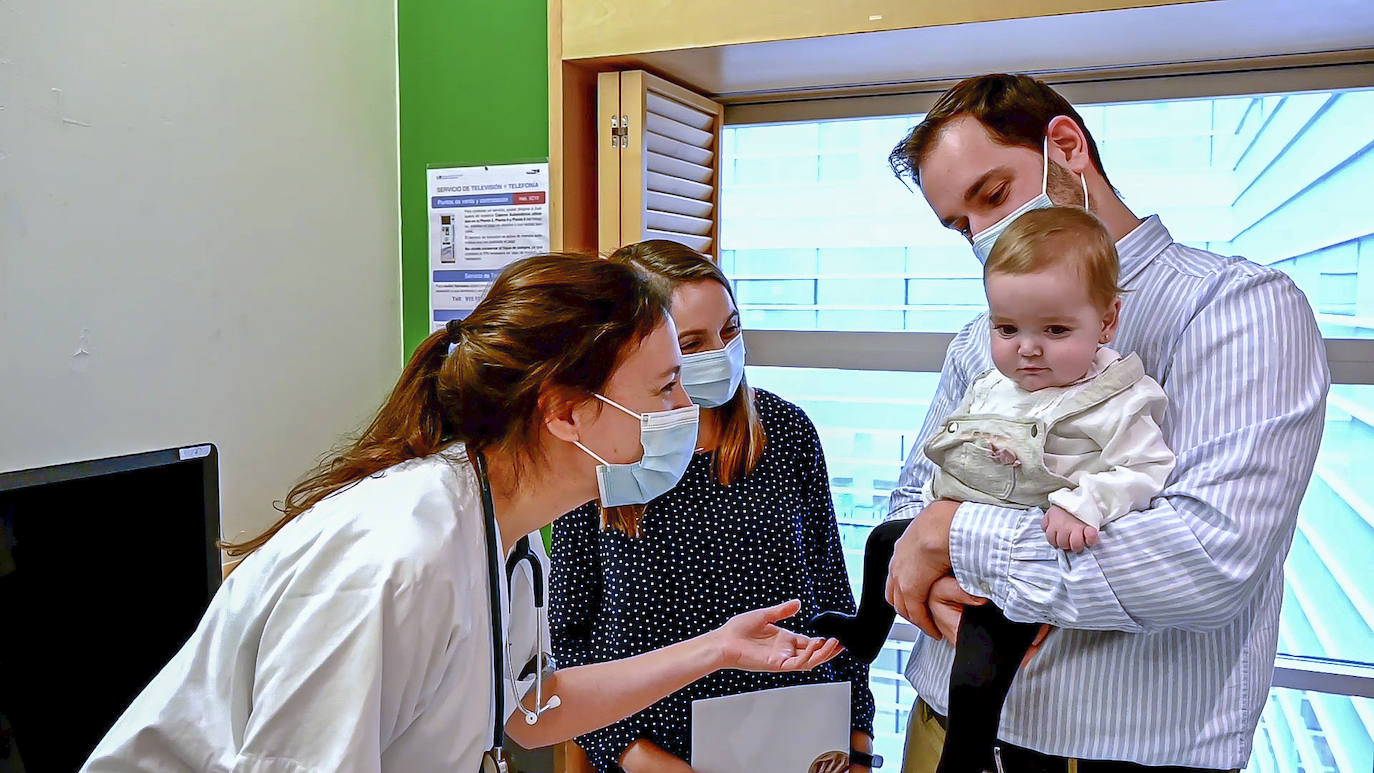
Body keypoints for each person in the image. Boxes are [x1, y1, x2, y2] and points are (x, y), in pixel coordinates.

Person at [80, 254, 844, 773]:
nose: (688, 409)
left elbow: (531, 710)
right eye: (666, 387)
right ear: (568, 412)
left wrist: (715, 649)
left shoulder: (508, 536)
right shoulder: (396, 560)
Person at [880, 74, 1328, 771]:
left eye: (992, 196)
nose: (982, 234)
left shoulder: (1234, 308)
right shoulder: (980, 339)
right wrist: (941, 562)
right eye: (960, 224)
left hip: (1111, 754)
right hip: (938, 724)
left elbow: (1205, 559)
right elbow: (913, 505)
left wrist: (958, 533)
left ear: (1066, 146)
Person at [813, 207, 1176, 772]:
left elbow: (1144, 469)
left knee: (983, 642)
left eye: (1055, 331)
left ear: (1107, 322)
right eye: (1007, 329)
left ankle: (967, 751)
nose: (1027, 349)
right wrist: (936, 511)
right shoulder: (994, 384)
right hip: (956, 528)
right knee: (884, 540)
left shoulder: (1118, 399)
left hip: (1026, 554)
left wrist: (1086, 503)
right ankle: (865, 633)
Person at [551, 240, 877, 773]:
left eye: (729, 330)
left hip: (798, 739)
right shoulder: (601, 453)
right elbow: (568, 639)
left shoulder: (786, 433)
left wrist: (857, 736)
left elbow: (832, 597)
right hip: (655, 745)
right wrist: (642, 759)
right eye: (693, 342)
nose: (720, 354)